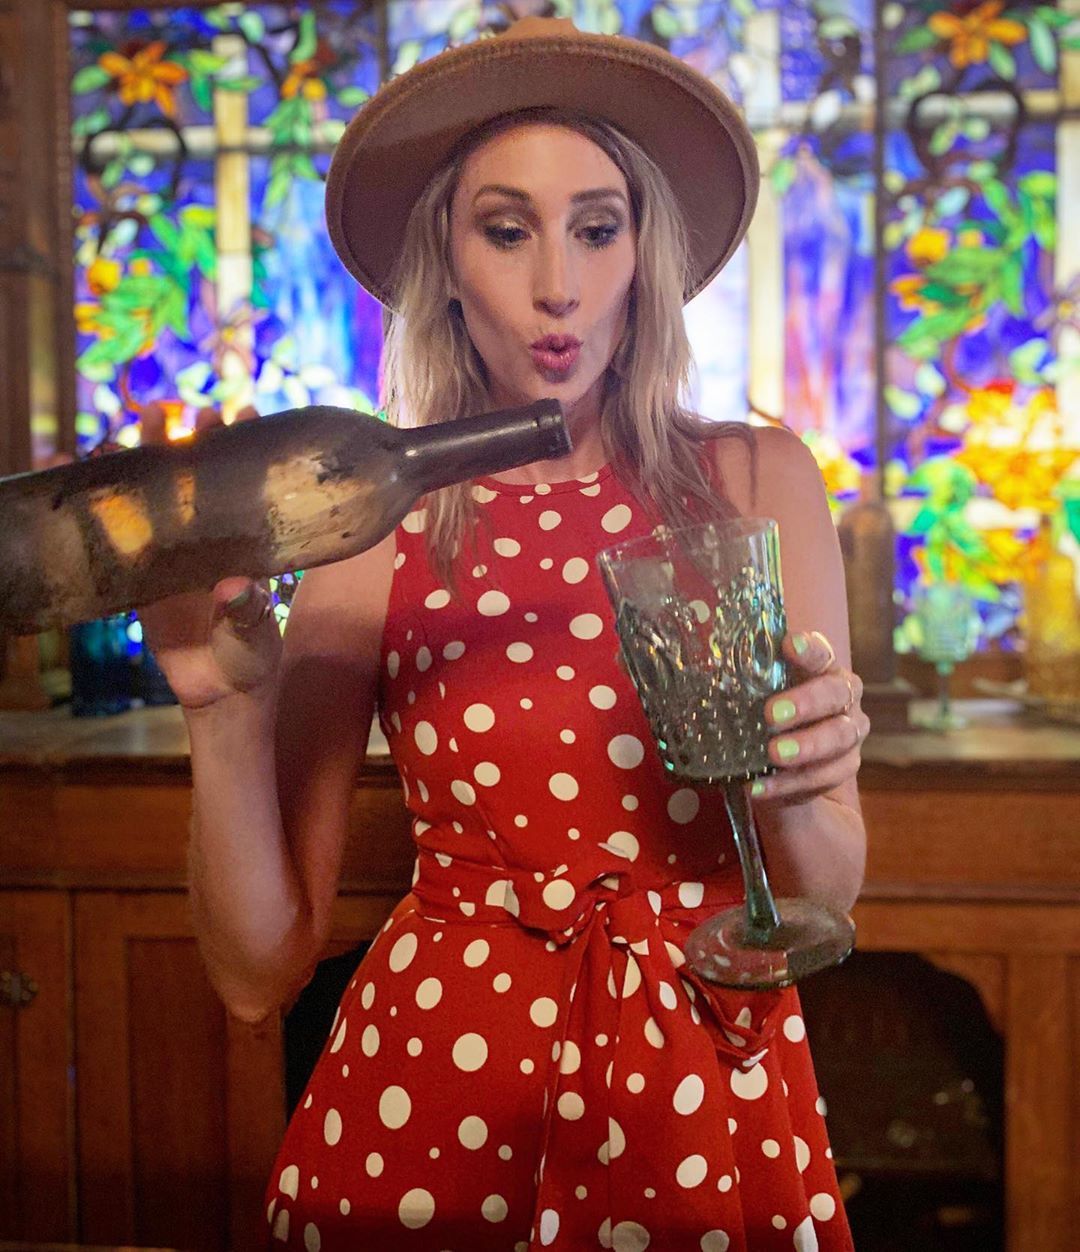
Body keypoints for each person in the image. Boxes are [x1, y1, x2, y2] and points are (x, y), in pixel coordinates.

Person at [141, 16, 867, 1250]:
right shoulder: (375, 524)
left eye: (597, 227)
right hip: (436, 1086)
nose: (557, 287)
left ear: (644, 254)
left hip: (701, 1070)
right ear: (446, 259)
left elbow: (831, 892)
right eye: (507, 229)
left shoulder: (756, 477)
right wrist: (220, 712)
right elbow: (257, 971)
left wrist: (799, 786)